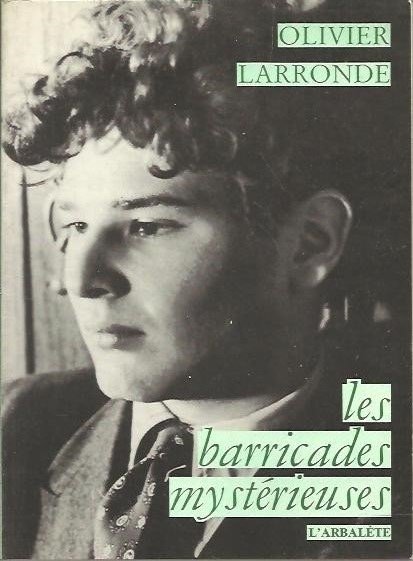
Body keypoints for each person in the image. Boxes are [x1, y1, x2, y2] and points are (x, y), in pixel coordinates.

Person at [2, 0, 411, 559]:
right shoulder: (18, 427)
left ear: (309, 243)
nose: (82, 279)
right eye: (75, 225)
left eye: (147, 226)